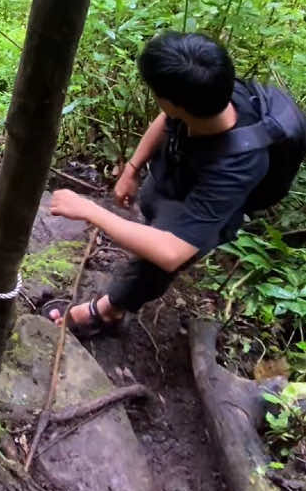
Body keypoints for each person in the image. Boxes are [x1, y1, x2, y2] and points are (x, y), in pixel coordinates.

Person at [45, 31, 272, 337]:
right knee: (149, 230)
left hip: (201, 207)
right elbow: (167, 119)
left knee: (155, 265)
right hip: (174, 176)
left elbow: (171, 251)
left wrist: (90, 210)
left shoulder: (238, 165)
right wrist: (133, 168)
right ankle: (140, 246)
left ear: (172, 101)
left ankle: (106, 312)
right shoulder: (213, 95)